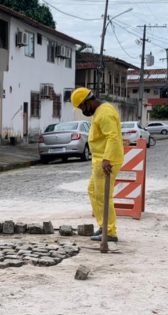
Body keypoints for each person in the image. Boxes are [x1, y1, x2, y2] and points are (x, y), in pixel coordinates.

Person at [70, 87, 123, 242]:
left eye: (81, 107)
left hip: (107, 161)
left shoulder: (105, 113)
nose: (82, 111)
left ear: (88, 102)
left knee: (104, 196)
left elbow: (112, 137)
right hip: (100, 159)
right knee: (93, 191)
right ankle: (104, 226)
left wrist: (107, 159)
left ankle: (110, 232)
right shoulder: (100, 111)